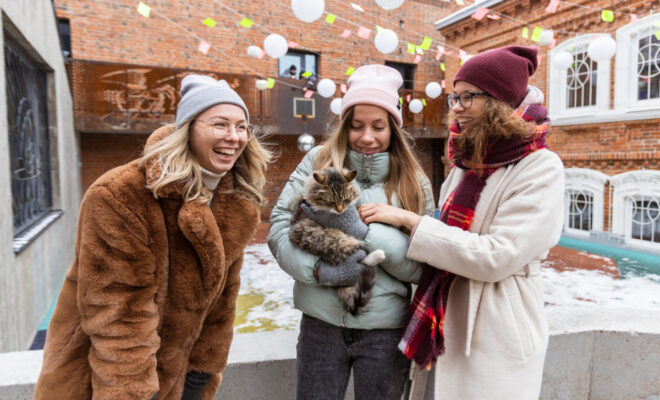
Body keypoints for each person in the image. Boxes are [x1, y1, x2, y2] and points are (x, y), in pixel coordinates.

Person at [34, 75, 271, 400]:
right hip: (104, 378)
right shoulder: (120, 195)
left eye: (242, 126)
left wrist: (200, 375)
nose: (234, 137)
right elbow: (118, 315)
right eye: (220, 124)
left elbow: (223, 301)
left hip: (180, 375)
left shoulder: (237, 203)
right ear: (187, 128)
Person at [359, 46, 564, 399]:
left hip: (498, 323)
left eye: (468, 97)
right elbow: (448, 234)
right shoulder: (466, 162)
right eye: (456, 96)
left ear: (500, 100)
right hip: (444, 316)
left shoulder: (541, 167)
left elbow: (497, 257)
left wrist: (412, 222)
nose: (456, 106)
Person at [268, 64, 435, 400]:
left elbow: (425, 264)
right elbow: (280, 226)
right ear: (345, 126)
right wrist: (318, 271)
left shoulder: (414, 182)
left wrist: (365, 233)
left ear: (393, 129)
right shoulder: (317, 161)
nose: (367, 137)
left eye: (378, 126)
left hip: (385, 334)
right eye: (357, 126)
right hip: (320, 327)